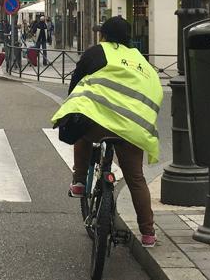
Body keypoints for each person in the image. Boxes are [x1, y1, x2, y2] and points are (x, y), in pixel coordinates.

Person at [51, 16, 163, 248]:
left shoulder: (96, 52)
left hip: (100, 125)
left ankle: (80, 181)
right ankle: (149, 234)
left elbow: (75, 85)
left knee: (81, 128)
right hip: (133, 129)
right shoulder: (142, 61)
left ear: (104, 35)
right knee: (136, 178)